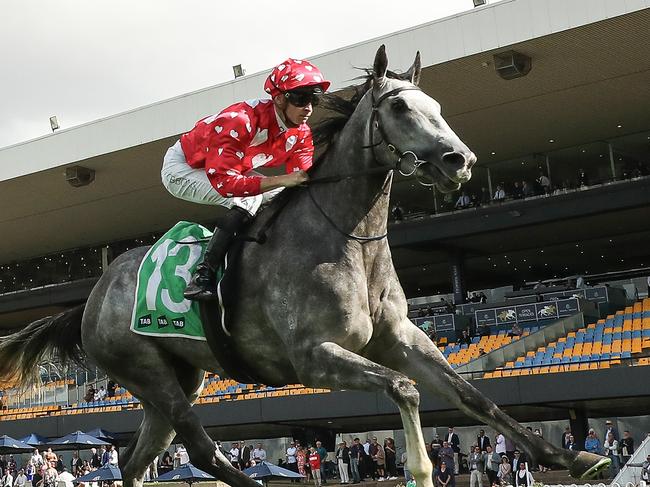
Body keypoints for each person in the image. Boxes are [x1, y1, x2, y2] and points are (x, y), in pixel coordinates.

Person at [160, 58, 330, 301]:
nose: (309, 108)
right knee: (248, 200)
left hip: (232, 168)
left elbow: (302, 183)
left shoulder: (301, 134)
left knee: (282, 197)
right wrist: (282, 179)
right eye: (301, 98)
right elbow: (226, 184)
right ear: (279, 98)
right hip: (183, 168)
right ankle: (203, 276)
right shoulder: (240, 120)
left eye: (314, 99)